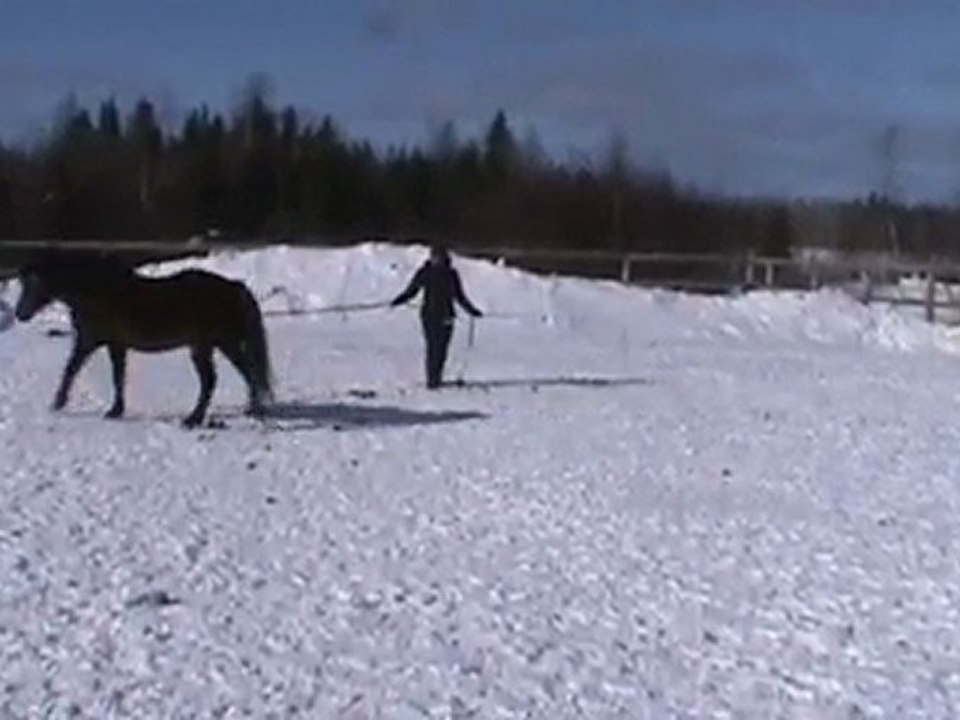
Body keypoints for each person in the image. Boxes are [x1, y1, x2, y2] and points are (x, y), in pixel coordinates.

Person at [390, 245, 483, 388]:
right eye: (435, 256)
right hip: (429, 315)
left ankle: (436, 377)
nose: (437, 259)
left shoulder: (451, 274)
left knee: (442, 348)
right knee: (432, 347)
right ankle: (432, 379)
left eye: (439, 257)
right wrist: (398, 300)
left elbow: (459, 296)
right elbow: (412, 290)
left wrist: (472, 310)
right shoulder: (425, 272)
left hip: (447, 315)